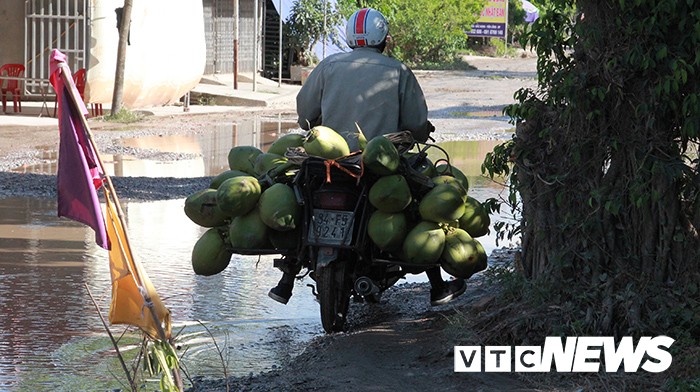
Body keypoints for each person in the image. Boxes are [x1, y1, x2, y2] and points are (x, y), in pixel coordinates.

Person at [269, 7, 466, 307]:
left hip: (329, 166)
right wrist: (419, 132)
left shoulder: (328, 67)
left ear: (349, 38)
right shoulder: (397, 71)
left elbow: (304, 116)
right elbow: (415, 124)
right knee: (418, 206)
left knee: (300, 194)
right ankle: (437, 285)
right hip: (379, 167)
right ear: (384, 40)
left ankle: (287, 277)